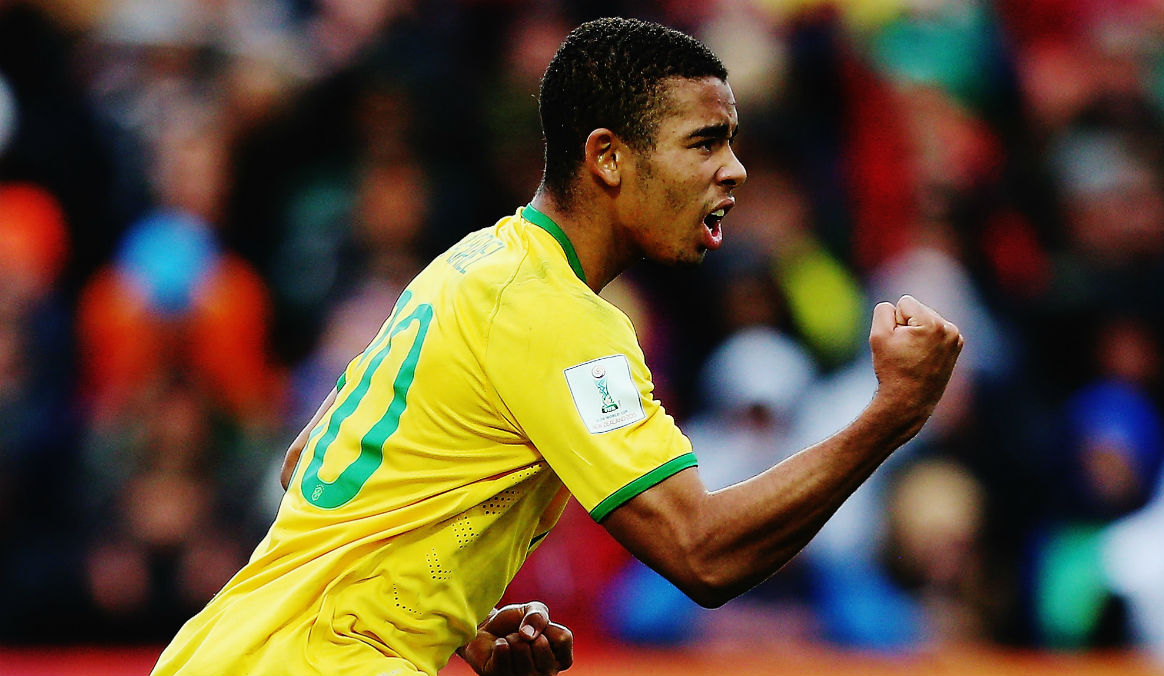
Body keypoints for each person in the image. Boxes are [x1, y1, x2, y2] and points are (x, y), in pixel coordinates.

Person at [151, 16, 963, 676]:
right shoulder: (559, 316)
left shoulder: (474, 265)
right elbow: (702, 553)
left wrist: (458, 623)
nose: (736, 170)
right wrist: (892, 413)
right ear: (608, 157)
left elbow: (308, 459)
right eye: (704, 142)